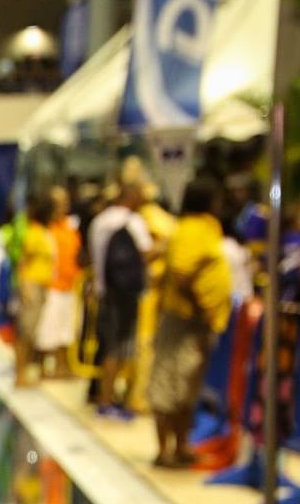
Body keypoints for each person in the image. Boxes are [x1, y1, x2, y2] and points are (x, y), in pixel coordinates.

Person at [147, 178, 233, 468]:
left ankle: (182, 446)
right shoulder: (190, 230)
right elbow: (182, 274)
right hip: (183, 320)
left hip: (196, 322)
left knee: (187, 388)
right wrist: (202, 307)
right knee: (168, 384)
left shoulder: (205, 228)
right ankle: (164, 450)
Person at [88, 180, 156, 416]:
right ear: (133, 197)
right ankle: (106, 401)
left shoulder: (99, 221)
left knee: (105, 344)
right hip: (124, 294)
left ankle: (99, 393)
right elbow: (147, 252)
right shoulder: (132, 222)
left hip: (103, 290)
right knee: (117, 348)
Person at [36, 186, 82, 377]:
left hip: (70, 284)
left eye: (65, 201)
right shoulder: (42, 227)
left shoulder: (70, 226)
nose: (64, 206)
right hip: (50, 285)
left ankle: (62, 367)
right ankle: (42, 368)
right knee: (47, 329)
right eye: (59, 202)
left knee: (66, 330)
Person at [15, 190, 57, 386]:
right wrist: (26, 288)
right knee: (26, 332)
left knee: (32, 332)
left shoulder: (43, 232)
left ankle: (25, 371)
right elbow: (23, 263)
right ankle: (19, 374)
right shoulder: (34, 233)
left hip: (41, 285)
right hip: (32, 285)